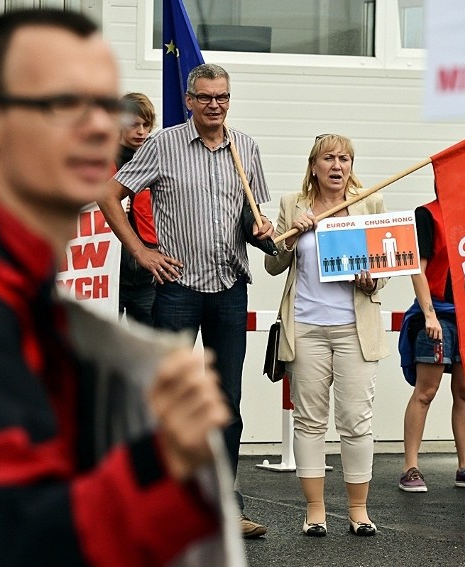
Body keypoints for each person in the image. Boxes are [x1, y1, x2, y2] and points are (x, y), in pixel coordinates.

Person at [0, 10, 230, 566]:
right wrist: (159, 461)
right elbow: (3, 544)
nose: (97, 128)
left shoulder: (11, 288)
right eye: (60, 105)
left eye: (105, 107)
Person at [98, 62, 274, 538]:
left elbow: (253, 222)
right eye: (206, 97)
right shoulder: (162, 145)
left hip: (229, 288)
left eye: (222, 97)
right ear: (190, 100)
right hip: (176, 290)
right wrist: (140, 250)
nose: (215, 105)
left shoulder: (246, 148)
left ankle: (222, 504)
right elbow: (109, 194)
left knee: (226, 403)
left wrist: (263, 233)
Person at [264, 134, 389, 537]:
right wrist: (292, 236)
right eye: (330, 158)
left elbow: (383, 272)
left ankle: (358, 511)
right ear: (314, 165)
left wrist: (372, 281)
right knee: (310, 421)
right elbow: (272, 264)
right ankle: (315, 512)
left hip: (354, 329)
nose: (338, 165)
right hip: (306, 328)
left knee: (356, 421)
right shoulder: (291, 205)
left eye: (345, 158)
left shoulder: (369, 202)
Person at [398, 195, 465, 492]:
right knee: (426, 391)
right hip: (438, 313)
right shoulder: (426, 214)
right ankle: (410, 468)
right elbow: (418, 268)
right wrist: (428, 314)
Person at [116, 92, 157, 326]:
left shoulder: (157, 163)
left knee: (147, 352)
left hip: (146, 278)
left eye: (146, 124)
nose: (141, 131)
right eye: (134, 125)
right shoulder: (98, 163)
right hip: (110, 276)